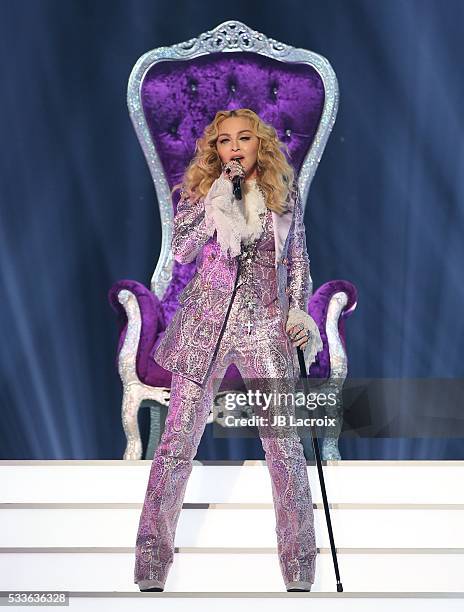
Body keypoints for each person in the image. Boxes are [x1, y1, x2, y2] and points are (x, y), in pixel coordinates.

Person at [134, 108, 323, 593]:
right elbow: (181, 250)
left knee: (284, 448)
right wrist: (220, 201)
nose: (234, 148)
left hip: (262, 324)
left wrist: (298, 313)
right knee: (176, 444)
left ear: (260, 143)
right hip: (205, 325)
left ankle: (300, 568)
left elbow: (297, 262)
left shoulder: (284, 197)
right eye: (224, 142)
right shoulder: (203, 192)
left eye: (243, 139)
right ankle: (151, 566)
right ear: (215, 150)